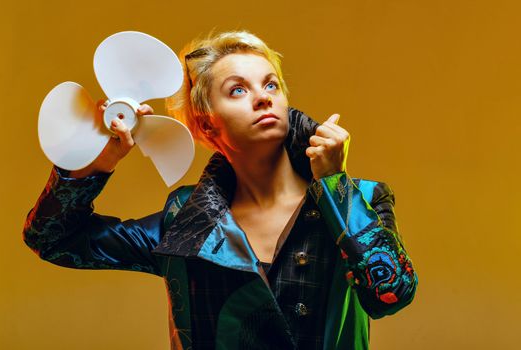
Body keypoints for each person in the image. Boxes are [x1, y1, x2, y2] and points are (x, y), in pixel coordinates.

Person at [23, 30, 418, 349]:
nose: (263, 96)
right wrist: (98, 163)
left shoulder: (361, 197)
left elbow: (392, 293)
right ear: (208, 125)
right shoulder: (187, 222)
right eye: (238, 90)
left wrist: (334, 184)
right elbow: (54, 239)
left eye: (271, 85)